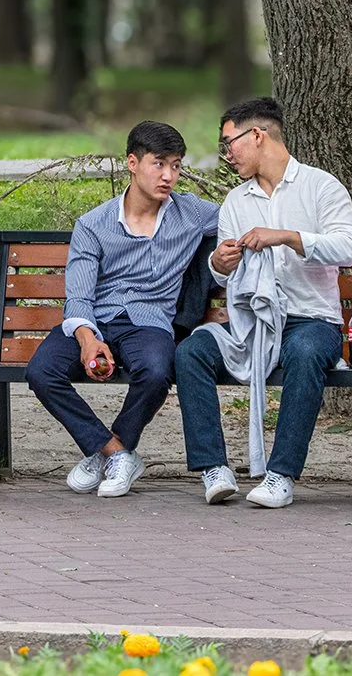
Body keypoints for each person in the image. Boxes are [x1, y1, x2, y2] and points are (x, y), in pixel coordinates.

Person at [176, 96, 352, 508]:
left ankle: (281, 475)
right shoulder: (237, 201)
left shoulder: (321, 186)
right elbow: (224, 274)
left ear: (257, 135)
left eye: (229, 143)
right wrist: (219, 263)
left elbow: (347, 247)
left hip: (310, 320)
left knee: (307, 352)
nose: (227, 154)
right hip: (252, 323)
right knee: (191, 352)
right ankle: (213, 467)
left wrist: (287, 236)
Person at [25, 121, 219, 499]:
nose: (168, 176)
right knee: (42, 371)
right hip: (97, 320)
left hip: (150, 323)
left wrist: (328, 227)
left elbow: (249, 218)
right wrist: (86, 338)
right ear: (132, 162)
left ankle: (107, 452)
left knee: (157, 370)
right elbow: (78, 297)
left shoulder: (191, 213)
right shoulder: (93, 224)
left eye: (176, 166)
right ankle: (115, 453)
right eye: (158, 164)